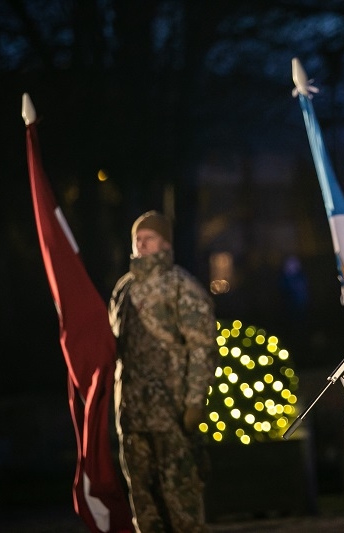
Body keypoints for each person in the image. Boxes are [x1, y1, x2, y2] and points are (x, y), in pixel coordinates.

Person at [109, 210, 218, 533]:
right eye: (137, 239)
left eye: (149, 238)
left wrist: (195, 402)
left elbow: (202, 348)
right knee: (145, 507)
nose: (141, 245)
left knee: (181, 505)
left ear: (165, 243)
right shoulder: (123, 289)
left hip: (172, 413)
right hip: (132, 415)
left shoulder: (181, 286)